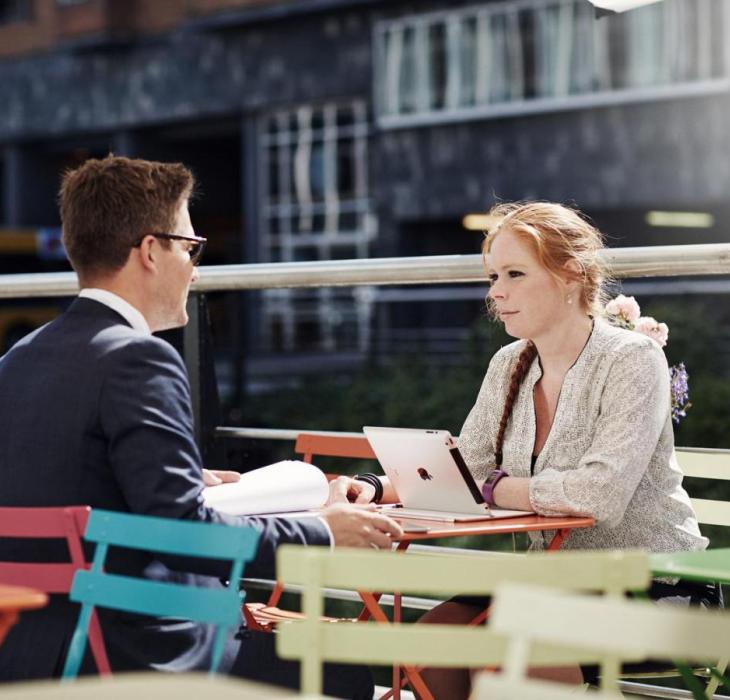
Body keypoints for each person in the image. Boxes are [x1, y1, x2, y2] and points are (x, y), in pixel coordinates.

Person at [0, 155, 401, 695]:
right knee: (346, 676)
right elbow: (181, 532)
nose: (195, 267)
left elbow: (63, 481)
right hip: (132, 653)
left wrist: (185, 477)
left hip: (26, 648)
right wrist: (324, 531)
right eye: (191, 248)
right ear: (149, 251)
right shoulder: (137, 359)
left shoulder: (19, 358)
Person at [334, 201, 716, 698]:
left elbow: (599, 495)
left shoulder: (631, 360)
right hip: (556, 581)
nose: (497, 292)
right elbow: (466, 465)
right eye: (493, 276)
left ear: (572, 274)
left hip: (657, 586)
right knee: (429, 645)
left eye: (515, 274)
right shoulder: (509, 362)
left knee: (513, 657)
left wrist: (500, 488)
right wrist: (373, 487)